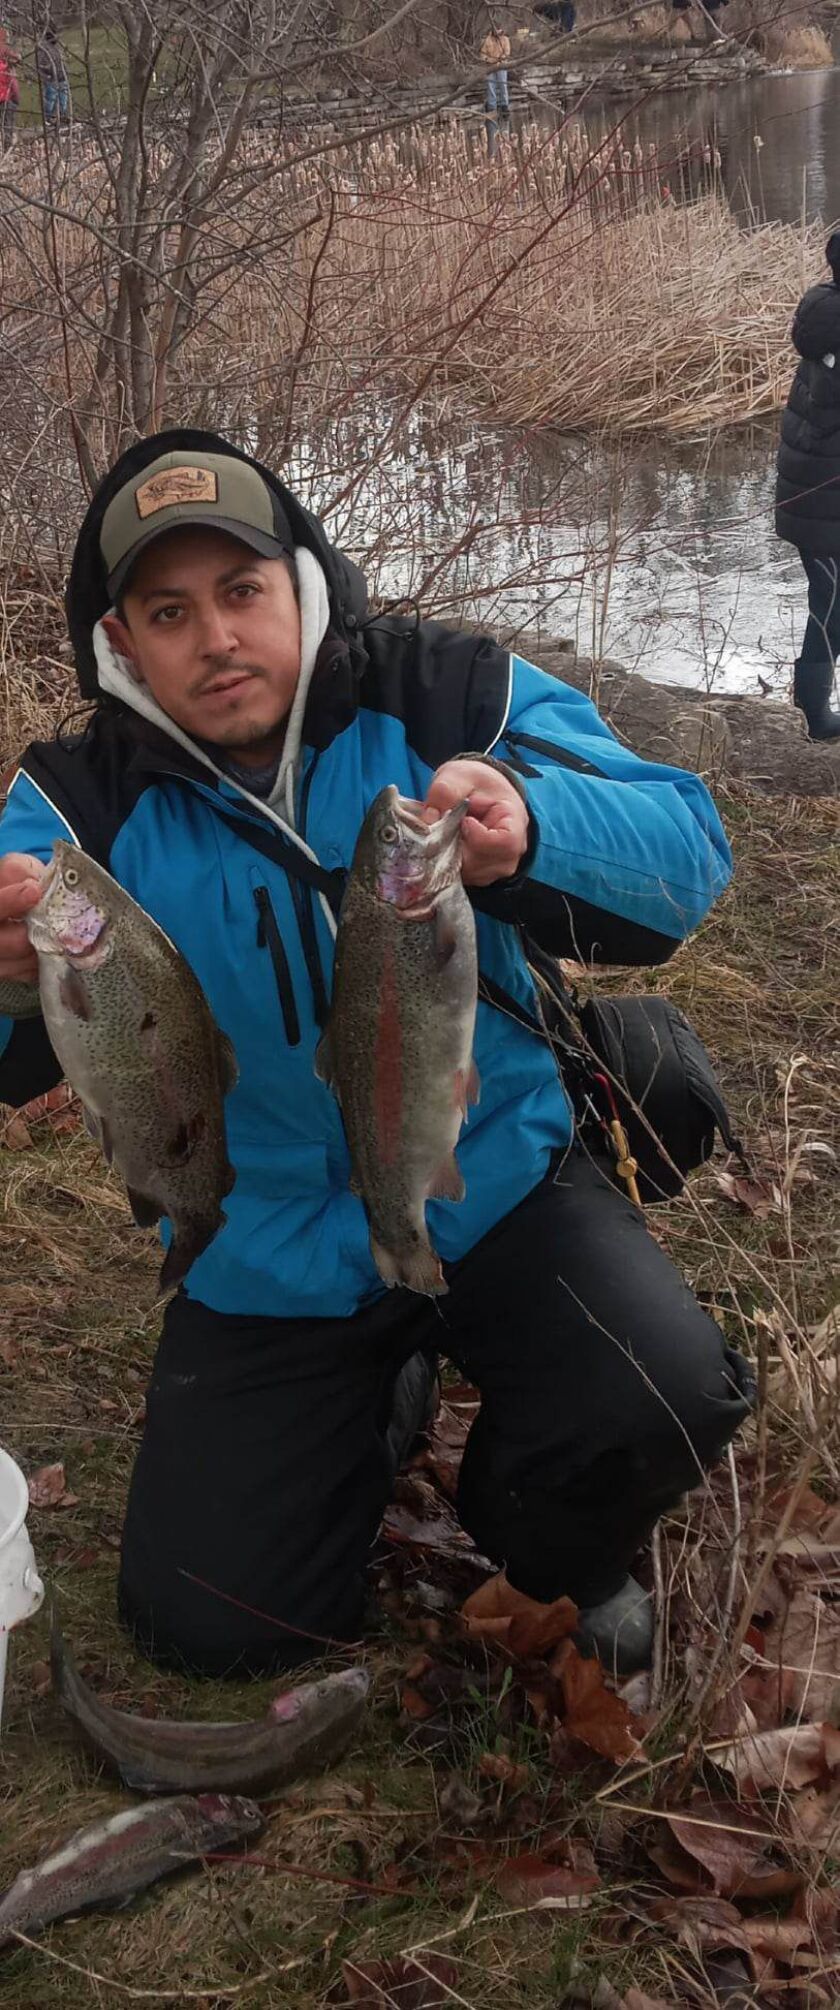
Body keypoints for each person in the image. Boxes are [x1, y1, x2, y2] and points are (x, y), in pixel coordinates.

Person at [0, 430, 753, 1680]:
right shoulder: (73, 806)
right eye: (170, 613)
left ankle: (544, 1538)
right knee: (206, 1628)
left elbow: (687, 851)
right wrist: (7, 983)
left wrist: (541, 829)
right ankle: (383, 1393)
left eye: (242, 591)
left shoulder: (449, 691)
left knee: (666, 1386)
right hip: (268, 1241)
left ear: (300, 583)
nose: (218, 639)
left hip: (491, 1171)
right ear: (122, 642)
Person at [776, 232, 840, 740]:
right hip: (824, 507)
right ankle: (813, 715)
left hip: (812, 500)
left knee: (830, 601)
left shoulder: (825, 323)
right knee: (832, 604)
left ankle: (811, 707)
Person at [37, 22, 69, 128]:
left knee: (63, 101)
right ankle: (49, 120)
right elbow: (40, 66)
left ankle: (61, 117)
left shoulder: (57, 47)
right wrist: (47, 76)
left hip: (62, 78)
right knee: (50, 100)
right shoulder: (43, 49)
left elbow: (63, 61)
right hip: (51, 79)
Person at [480, 22, 511, 121]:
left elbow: (507, 52)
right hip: (490, 66)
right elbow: (483, 54)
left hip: (501, 65)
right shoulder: (487, 40)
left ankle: (504, 106)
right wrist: (488, 60)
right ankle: (492, 107)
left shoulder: (505, 39)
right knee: (490, 86)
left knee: (503, 85)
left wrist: (500, 60)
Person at [0, 29, 20, 150]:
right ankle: (7, 145)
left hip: (6, 96)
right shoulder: (6, 68)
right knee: (7, 122)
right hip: (6, 97)